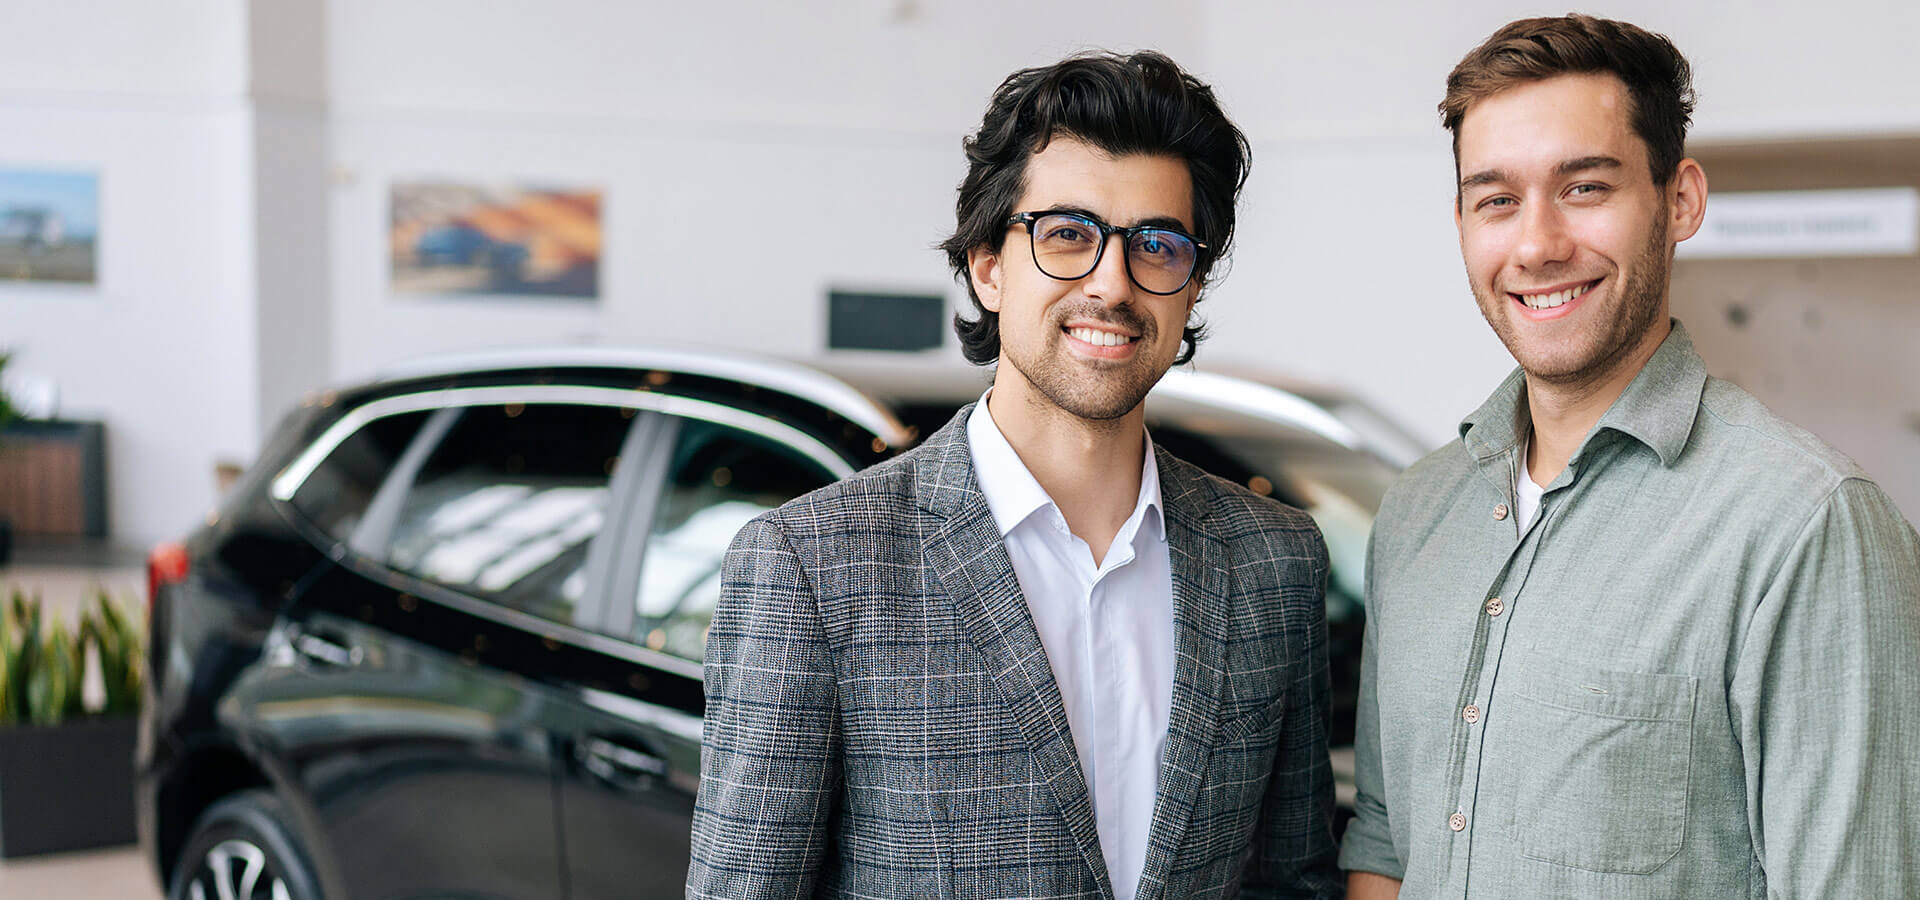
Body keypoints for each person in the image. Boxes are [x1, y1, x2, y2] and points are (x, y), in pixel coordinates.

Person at [688, 50, 1344, 899]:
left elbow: (1292, 883)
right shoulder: (813, 564)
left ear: (1192, 284)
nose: (1113, 284)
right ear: (988, 266)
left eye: (1157, 245)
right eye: (1068, 234)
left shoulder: (1274, 562)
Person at [1340, 14, 1920, 899]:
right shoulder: (1419, 511)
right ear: (1461, 221)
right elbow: (1387, 843)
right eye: (1497, 199)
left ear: (1679, 200)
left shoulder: (1807, 526)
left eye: (1584, 187)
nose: (1537, 244)